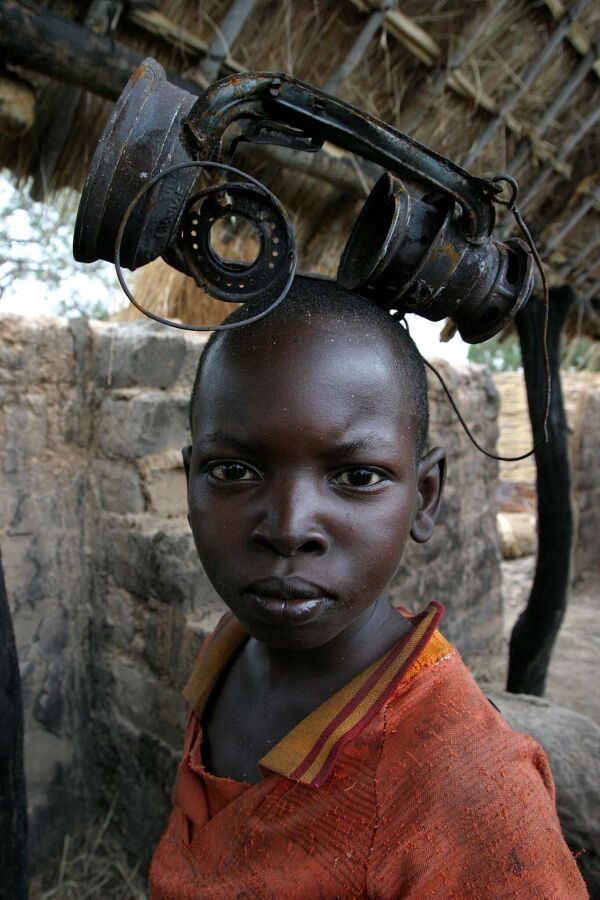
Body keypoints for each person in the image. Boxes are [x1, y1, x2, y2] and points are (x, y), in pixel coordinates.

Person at [149, 275, 587, 898]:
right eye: (234, 470)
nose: (289, 528)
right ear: (189, 480)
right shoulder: (229, 651)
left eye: (356, 475)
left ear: (425, 496)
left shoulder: (468, 793)